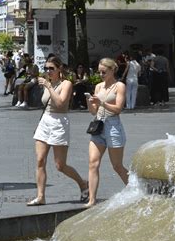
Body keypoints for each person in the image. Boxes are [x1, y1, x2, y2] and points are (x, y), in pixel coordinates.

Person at [27, 56, 88, 206]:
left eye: (51, 68)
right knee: (40, 160)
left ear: (59, 69)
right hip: (45, 121)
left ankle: (83, 184)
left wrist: (48, 86)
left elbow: (60, 104)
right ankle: (41, 196)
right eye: (46, 68)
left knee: (60, 165)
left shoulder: (66, 84)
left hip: (59, 122)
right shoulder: (49, 83)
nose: (48, 71)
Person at [86, 58, 128, 207]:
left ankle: (137, 189)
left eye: (104, 72)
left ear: (112, 70)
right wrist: (90, 103)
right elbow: (93, 112)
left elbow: (118, 109)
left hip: (113, 126)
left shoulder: (119, 86)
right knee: (93, 163)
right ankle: (91, 200)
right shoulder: (98, 87)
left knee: (117, 166)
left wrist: (102, 103)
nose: (101, 74)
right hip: (98, 126)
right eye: (99, 72)